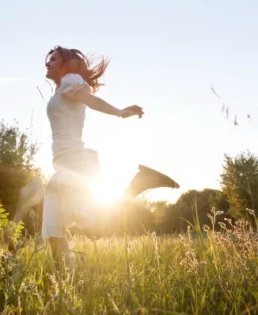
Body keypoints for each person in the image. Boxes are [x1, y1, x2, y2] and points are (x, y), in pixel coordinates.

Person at [18, 45, 178, 269]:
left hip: (76, 164)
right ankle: (67, 277)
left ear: (66, 65)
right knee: (53, 230)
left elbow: (90, 100)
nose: (48, 63)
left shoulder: (70, 81)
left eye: (53, 59)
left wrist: (120, 112)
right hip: (62, 166)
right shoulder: (61, 89)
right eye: (48, 59)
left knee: (94, 229)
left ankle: (138, 184)